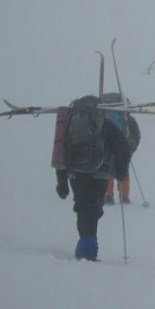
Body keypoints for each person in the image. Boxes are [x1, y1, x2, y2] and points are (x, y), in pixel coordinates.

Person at [53, 95, 132, 261]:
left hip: (76, 172)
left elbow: (61, 150)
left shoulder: (71, 125)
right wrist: (121, 171)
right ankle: (87, 249)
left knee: (82, 207)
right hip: (100, 173)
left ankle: (86, 244)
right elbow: (122, 146)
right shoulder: (105, 124)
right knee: (93, 207)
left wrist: (61, 181)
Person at [99, 93, 140, 205]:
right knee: (124, 170)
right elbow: (136, 136)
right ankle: (124, 196)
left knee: (109, 171)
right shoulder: (128, 120)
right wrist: (130, 150)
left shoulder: (103, 118)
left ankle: (108, 195)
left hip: (107, 148)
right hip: (124, 149)